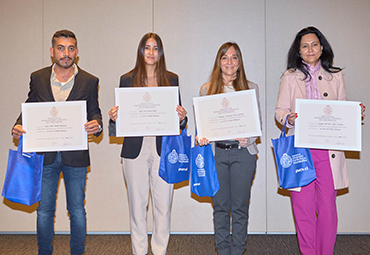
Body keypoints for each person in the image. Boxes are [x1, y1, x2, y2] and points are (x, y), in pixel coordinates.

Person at [275, 26, 366, 255]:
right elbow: (280, 111)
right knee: (303, 210)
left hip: (328, 152)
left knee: (327, 209)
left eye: (314, 44)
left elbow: (342, 107)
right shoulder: (290, 76)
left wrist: (354, 113)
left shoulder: (335, 75)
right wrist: (289, 118)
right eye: (304, 46)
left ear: (322, 47)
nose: (310, 49)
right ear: (299, 51)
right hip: (301, 151)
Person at [12, 29, 103, 255]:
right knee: (44, 211)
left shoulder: (90, 81)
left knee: (77, 210)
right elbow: (30, 107)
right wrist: (18, 125)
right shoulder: (38, 77)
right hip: (45, 155)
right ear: (52, 51)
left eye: (71, 48)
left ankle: (77, 252)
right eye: (61, 48)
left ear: (77, 52)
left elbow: (95, 112)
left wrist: (97, 125)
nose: (66, 53)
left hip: (76, 156)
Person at [108, 33, 187, 255]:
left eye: (155, 48)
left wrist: (182, 117)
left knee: (163, 206)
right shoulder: (127, 79)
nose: (151, 52)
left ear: (160, 52)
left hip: (164, 149)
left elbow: (179, 121)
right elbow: (118, 125)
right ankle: (139, 252)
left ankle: (160, 251)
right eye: (147, 48)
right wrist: (114, 119)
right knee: (137, 206)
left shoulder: (171, 79)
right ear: (140, 51)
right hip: (135, 150)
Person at [197, 42, 262, 255]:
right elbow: (202, 126)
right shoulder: (207, 89)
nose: (229, 62)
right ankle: (223, 251)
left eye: (234, 58)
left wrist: (249, 138)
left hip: (243, 154)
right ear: (219, 62)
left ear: (239, 62)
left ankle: (238, 251)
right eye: (225, 57)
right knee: (221, 207)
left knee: (240, 208)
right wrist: (201, 136)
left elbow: (256, 124)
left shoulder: (251, 88)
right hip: (217, 154)